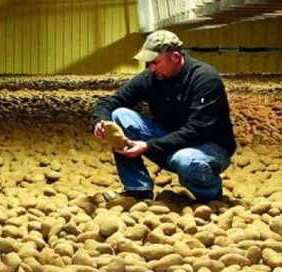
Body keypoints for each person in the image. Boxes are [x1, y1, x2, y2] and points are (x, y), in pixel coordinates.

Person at [90, 29, 236, 203]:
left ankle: (211, 197)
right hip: (168, 140)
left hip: (208, 147)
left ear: (174, 57)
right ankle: (138, 189)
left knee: (185, 160)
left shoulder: (205, 79)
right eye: (148, 63)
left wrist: (149, 146)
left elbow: (197, 130)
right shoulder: (152, 77)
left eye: (155, 62)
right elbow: (112, 101)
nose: (151, 68)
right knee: (120, 115)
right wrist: (100, 120)